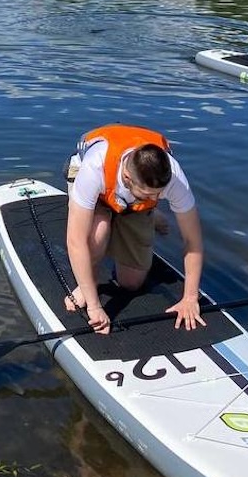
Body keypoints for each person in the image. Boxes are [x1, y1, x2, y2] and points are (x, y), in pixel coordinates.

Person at [64, 124, 205, 335]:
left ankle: (144, 212)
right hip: (99, 194)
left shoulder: (174, 178)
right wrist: (95, 307)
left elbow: (193, 242)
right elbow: (75, 241)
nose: (157, 199)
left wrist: (190, 297)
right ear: (128, 178)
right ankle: (88, 282)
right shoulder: (94, 168)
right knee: (98, 233)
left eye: (159, 194)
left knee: (131, 284)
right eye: (150, 195)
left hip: (132, 200)